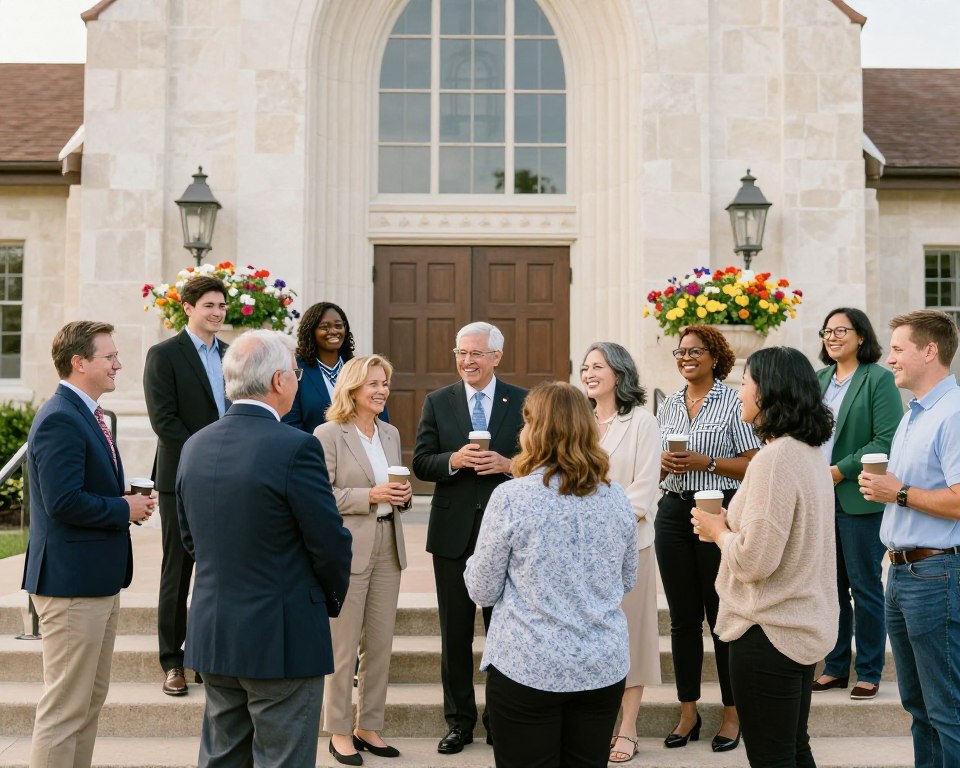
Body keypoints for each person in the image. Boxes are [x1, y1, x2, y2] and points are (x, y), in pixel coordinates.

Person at [176, 330, 352, 768]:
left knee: (221, 758)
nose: (298, 380)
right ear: (278, 381)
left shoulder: (194, 445)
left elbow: (190, 539)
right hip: (282, 634)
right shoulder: (295, 447)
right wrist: (327, 599)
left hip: (215, 630)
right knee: (284, 759)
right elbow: (329, 543)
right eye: (295, 373)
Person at [464, 381, 638, 768]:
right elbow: (627, 579)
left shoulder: (512, 497)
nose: (521, 431)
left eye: (526, 422)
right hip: (600, 666)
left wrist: (472, 564)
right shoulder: (617, 498)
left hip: (528, 664)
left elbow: (482, 589)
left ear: (537, 431)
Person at [693, 346, 836, 768]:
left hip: (767, 630)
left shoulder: (774, 459)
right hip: (798, 625)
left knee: (773, 758)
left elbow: (756, 560)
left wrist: (717, 531)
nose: (739, 393)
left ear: (769, 390)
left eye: (745, 382)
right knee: (793, 749)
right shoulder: (808, 453)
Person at [22, 321, 155, 768]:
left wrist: (125, 504)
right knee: (65, 708)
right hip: (70, 585)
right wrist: (125, 510)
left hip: (96, 580)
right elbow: (62, 502)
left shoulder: (86, 413)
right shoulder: (60, 417)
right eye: (110, 357)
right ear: (80, 363)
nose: (118, 363)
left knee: (88, 700)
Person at [412, 321, 526, 754]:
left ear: (497, 356)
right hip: (452, 536)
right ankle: (459, 722)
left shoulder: (521, 400)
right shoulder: (437, 401)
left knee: (504, 632)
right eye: (460, 353)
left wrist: (507, 463)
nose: (467, 361)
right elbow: (422, 461)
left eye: (476, 353)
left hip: (507, 536)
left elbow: (536, 459)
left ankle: (501, 720)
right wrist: (453, 460)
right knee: (454, 634)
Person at [859, 310, 960, 768]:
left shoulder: (953, 414)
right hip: (901, 574)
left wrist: (897, 492)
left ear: (930, 350)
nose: (891, 359)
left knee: (948, 709)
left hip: (936, 572)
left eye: (899, 349)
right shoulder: (912, 416)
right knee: (918, 709)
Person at [654, 324, 761, 751]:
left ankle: (733, 714)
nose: (685, 358)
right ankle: (688, 711)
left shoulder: (733, 401)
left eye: (694, 351)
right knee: (682, 619)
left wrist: (707, 462)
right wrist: (662, 465)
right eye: (680, 353)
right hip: (673, 510)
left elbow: (755, 461)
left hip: (718, 510)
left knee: (722, 616)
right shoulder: (668, 404)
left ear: (714, 356)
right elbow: (654, 466)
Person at [315, 355, 412, 766]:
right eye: (372, 383)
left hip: (389, 545)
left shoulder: (389, 433)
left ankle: (368, 725)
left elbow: (393, 487)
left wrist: (401, 497)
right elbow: (322, 496)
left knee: (380, 644)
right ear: (352, 388)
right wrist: (369, 497)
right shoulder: (329, 434)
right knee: (343, 646)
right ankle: (338, 730)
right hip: (349, 550)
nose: (381, 390)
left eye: (385, 383)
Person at [143, 274, 229, 696]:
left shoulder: (233, 356)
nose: (217, 312)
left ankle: (210, 657)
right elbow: (165, 422)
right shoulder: (164, 355)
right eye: (209, 305)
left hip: (233, 479)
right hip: (182, 478)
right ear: (188, 308)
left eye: (222, 305)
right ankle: (172, 661)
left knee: (225, 569)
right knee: (178, 571)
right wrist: (208, 456)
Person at [811, 308, 903, 701]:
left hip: (858, 497)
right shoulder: (819, 381)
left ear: (861, 336)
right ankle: (834, 666)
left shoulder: (878, 379)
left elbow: (886, 439)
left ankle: (868, 669)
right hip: (818, 498)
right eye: (827, 331)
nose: (832, 337)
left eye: (841, 330)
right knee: (829, 589)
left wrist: (838, 471)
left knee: (864, 587)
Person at [579, 342, 660, 763]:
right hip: (579, 553)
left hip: (630, 547)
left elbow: (645, 489)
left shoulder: (643, 423)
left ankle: (627, 726)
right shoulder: (580, 422)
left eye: (598, 366)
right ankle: (595, 722)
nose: (589, 373)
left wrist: (602, 527)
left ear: (619, 372)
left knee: (633, 636)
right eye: (585, 367)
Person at [283, 301, 356, 432]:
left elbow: (379, 417)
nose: (333, 331)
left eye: (338, 326)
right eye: (325, 327)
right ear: (311, 331)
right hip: (314, 449)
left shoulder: (358, 368)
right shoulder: (296, 370)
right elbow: (290, 422)